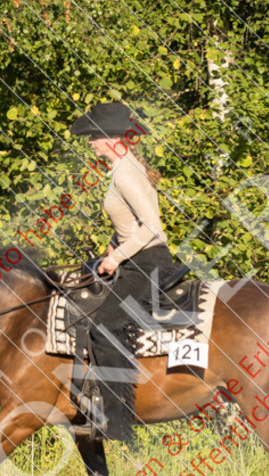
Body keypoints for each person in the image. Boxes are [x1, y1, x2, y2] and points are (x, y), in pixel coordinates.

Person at [69, 102, 180, 442]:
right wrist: (114, 247)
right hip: (140, 258)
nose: (90, 143)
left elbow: (153, 230)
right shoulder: (125, 167)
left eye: (93, 137)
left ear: (111, 138)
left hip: (147, 262)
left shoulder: (125, 173)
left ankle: (118, 423)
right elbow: (133, 227)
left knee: (105, 326)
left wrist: (115, 257)